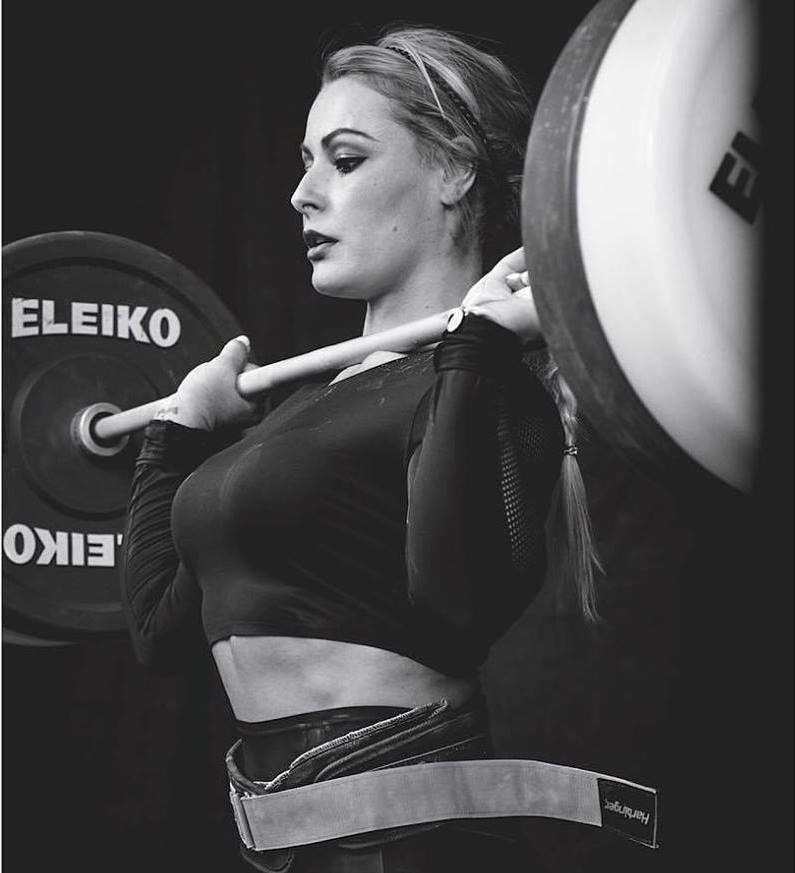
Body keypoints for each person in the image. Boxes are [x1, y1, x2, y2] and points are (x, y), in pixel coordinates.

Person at [121, 25, 599, 873]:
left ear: (453, 170)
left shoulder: (490, 391)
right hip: (285, 847)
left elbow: (455, 599)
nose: (302, 194)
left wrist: (474, 351)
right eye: (304, 161)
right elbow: (162, 635)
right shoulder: (289, 412)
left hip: (415, 841)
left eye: (342, 161)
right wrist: (175, 439)